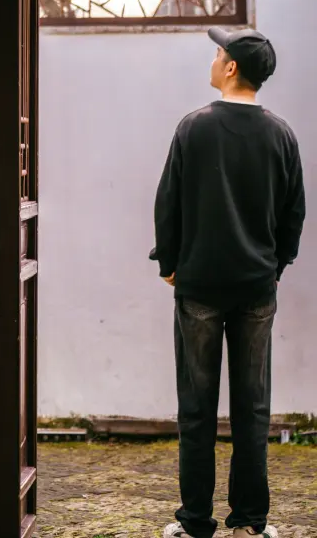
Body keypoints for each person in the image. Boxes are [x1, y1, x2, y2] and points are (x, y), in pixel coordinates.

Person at [151, 27, 306, 538]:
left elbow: (168, 203)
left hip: (197, 287)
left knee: (196, 410)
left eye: (219, 54)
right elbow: (293, 214)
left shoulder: (192, 128)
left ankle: (195, 522)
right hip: (257, 289)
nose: (214, 60)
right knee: (252, 409)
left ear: (232, 67)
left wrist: (169, 262)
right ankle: (250, 523)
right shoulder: (281, 135)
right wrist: (276, 265)